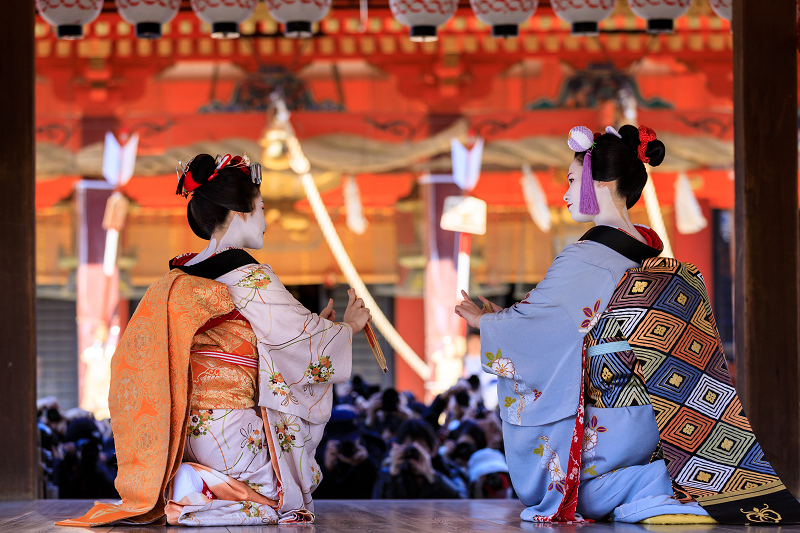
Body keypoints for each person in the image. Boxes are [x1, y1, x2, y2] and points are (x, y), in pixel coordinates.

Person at [455, 125, 800, 525]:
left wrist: (488, 323)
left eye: (571, 181)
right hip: (652, 411)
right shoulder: (647, 249)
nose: (566, 194)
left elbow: (535, 326)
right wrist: (507, 318)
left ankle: (659, 482)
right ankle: (670, 475)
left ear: (598, 182)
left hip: (612, 415)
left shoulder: (586, 255)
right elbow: (555, 319)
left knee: (575, 495)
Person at [59, 153, 371, 527]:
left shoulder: (180, 274)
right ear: (240, 212)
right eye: (262, 208)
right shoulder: (248, 275)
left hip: (185, 435)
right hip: (231, 431)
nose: (266, 220)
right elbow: (305, 344)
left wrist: (311, 334)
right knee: (283, 503)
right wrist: (348, 327)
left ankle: (192, 481)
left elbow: (286, 338)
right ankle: (201, 494)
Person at [372, 419, 467, 499]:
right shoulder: (389, 471)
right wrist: (393, 473)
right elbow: (377, 505)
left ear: (433, 449)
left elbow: (463, 499)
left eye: (421, 447)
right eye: (409, 447)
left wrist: (431, 475)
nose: (416, 451)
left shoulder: (448, 469)